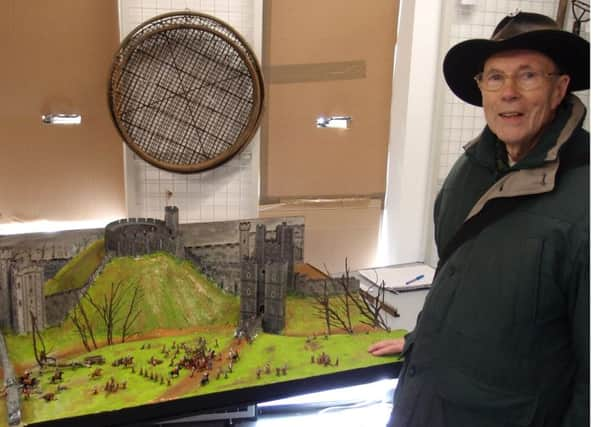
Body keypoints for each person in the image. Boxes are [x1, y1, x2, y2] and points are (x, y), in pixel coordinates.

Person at [369, 11, 589, 427]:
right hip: (424, 403)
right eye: (494, 77)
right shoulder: (469, 169)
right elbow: (459, 278)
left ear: (559, 88)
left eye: (527, 76)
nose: (508, 93)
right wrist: (422, 341)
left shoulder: (587, 196)